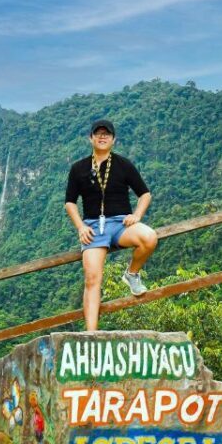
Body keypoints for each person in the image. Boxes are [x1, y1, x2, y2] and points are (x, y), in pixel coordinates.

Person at [65, 119, 158, 331]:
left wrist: (137, 214)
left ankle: (131, 274)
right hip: (93, 228)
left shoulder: (123, 164)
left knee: (149, 237)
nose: (102, 137)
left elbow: (145, 194)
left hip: (121, 223)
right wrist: (80, 227)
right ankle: (91, 334)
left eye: (107, 134)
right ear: (91, 138)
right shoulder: (78, 168)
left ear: (113, 139)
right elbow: (70, 202)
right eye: (98, 133)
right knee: (92, 279)